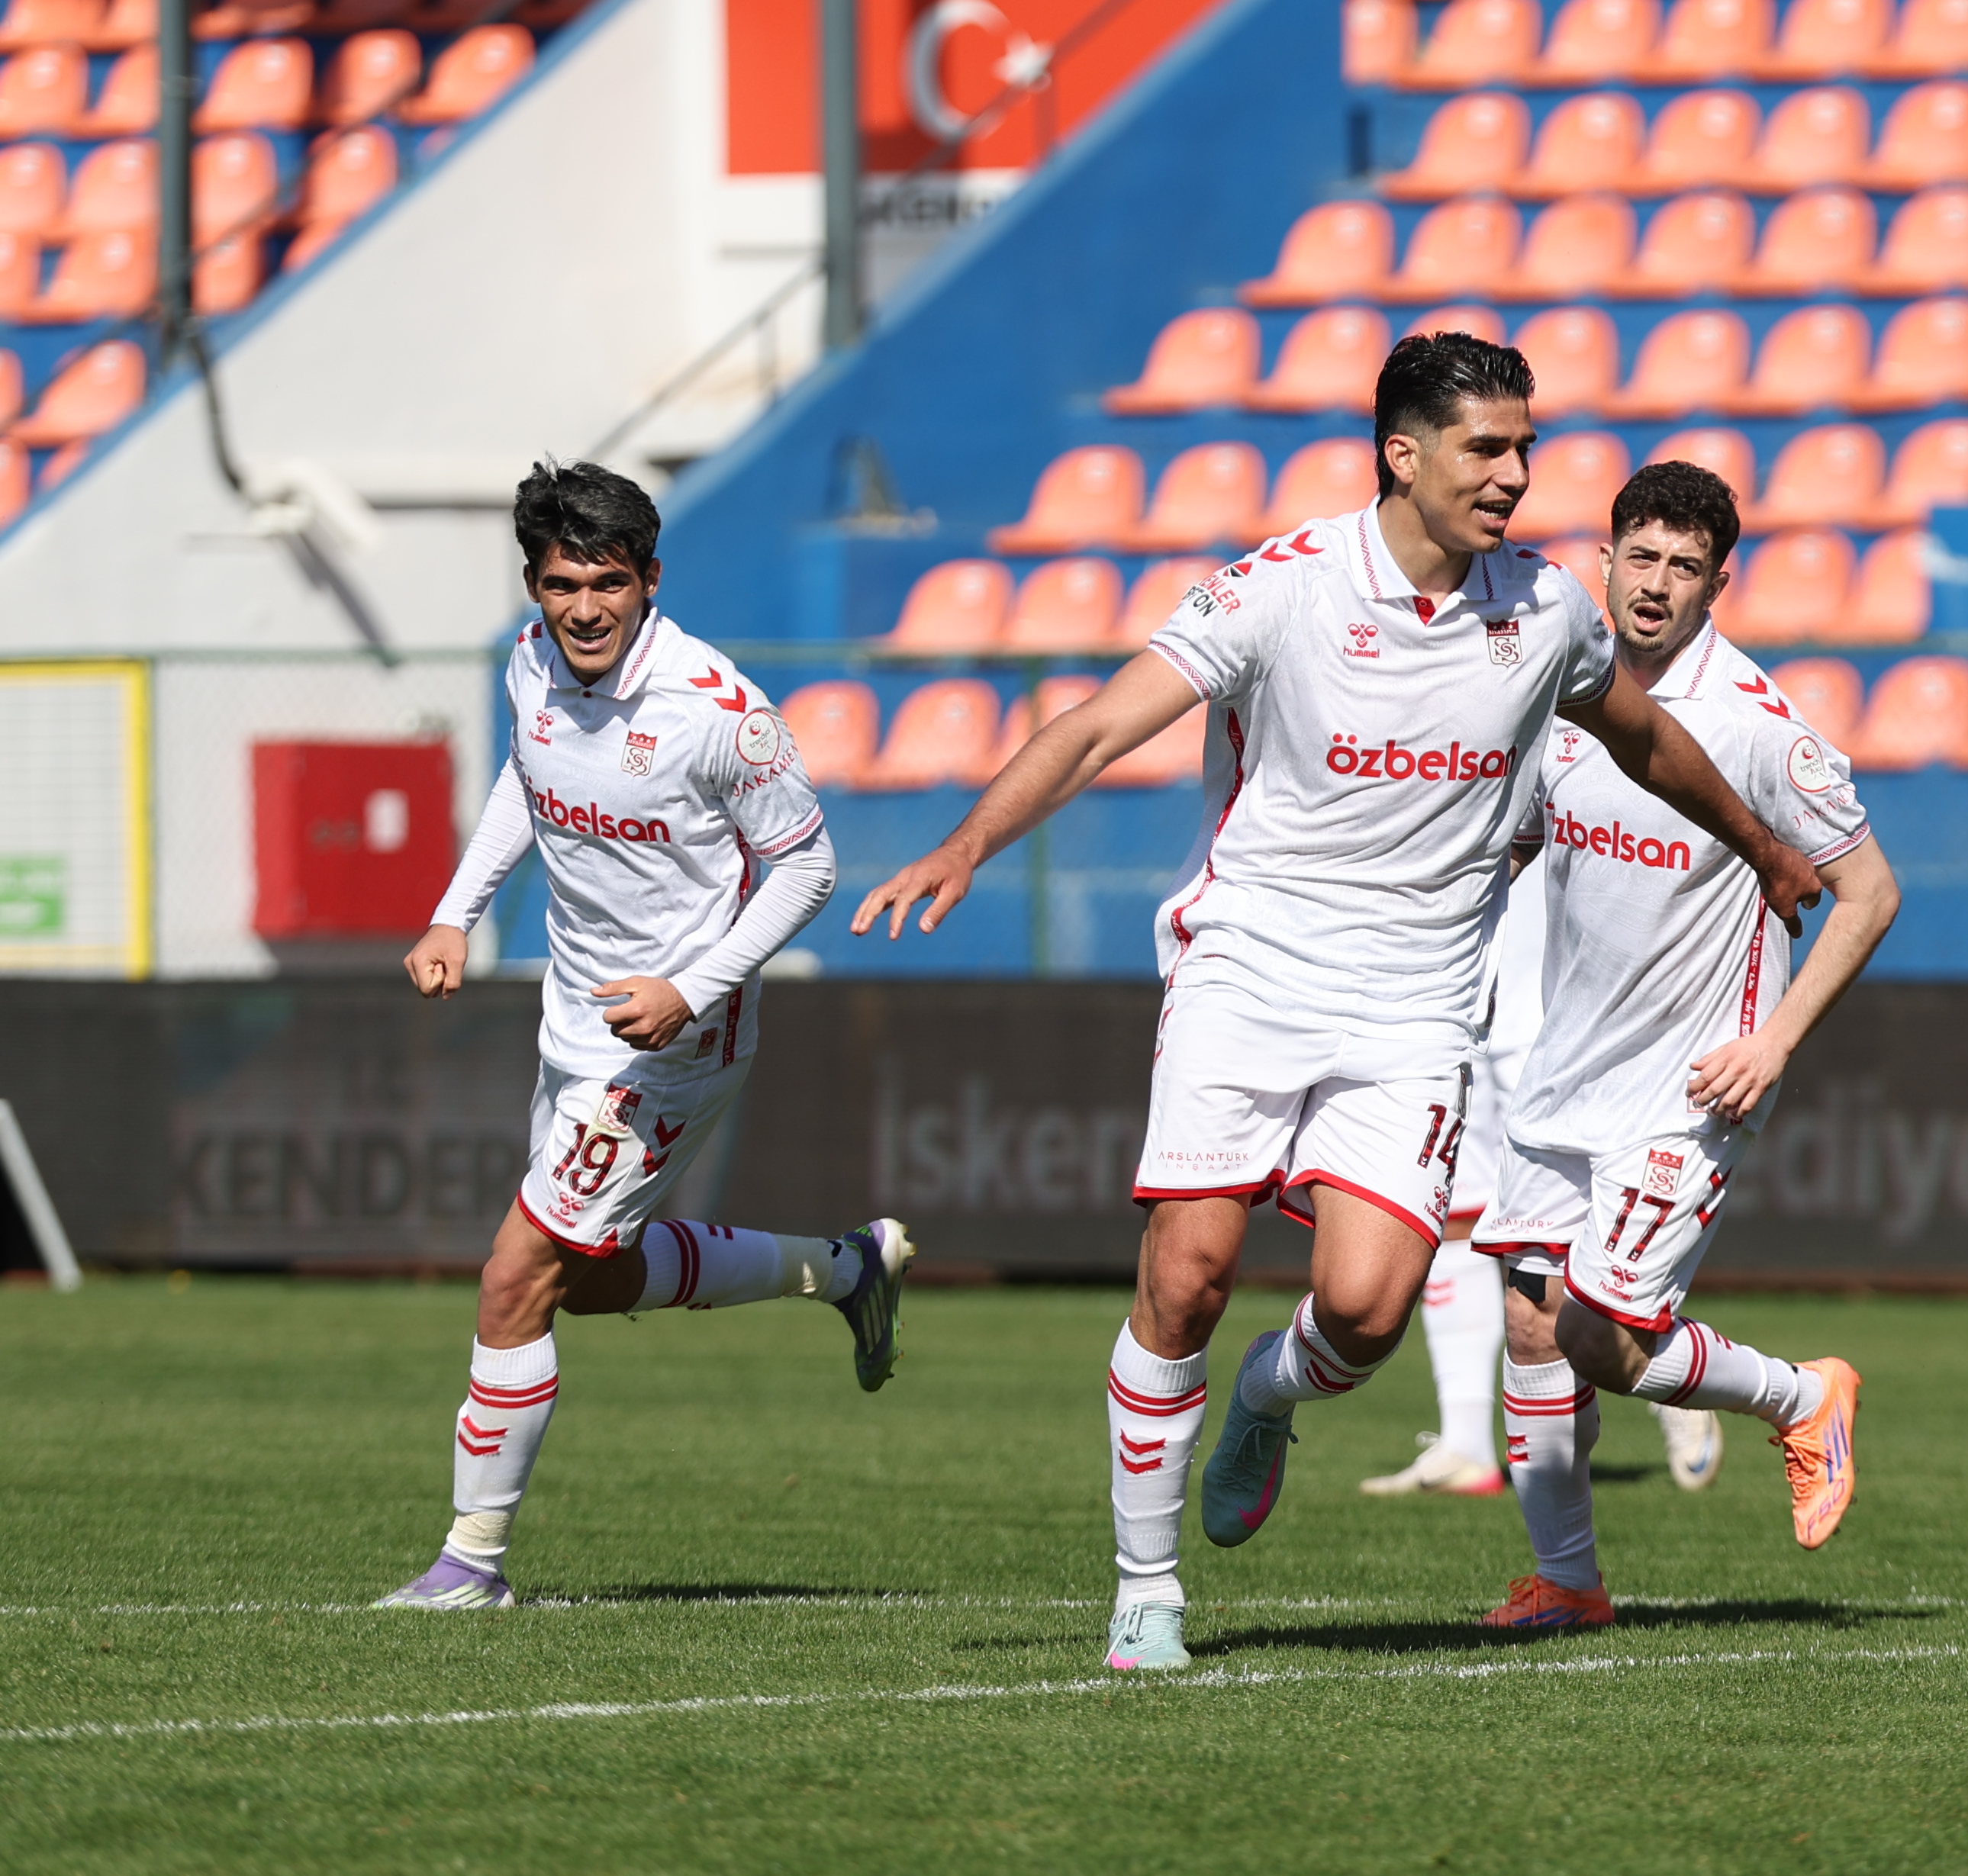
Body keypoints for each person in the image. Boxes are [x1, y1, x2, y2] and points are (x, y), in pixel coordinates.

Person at [852, 334, 1824, 1672]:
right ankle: (1147, 1591)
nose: (1514, 475)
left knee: (1366, 1312)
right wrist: (967, 842)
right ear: (1402, 453)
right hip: (1247, 970)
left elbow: (1645, 739)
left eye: (1524, 448)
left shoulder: (1541, 609)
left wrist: (1764, 844)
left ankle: (1265, 1395)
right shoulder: (1285, 589)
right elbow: (1093, 725)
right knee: (1185, 1281)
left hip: (1418, 1007)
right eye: (1487, 448)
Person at [376, 460, 914, 1612]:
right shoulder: (531, 665)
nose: (582, 609)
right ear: (535, 583)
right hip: (572, 1017)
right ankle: (844, 1268)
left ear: (650, 581)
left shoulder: (718, 713)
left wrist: (691, 986)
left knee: (514, 1276)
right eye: (561, 583)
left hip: (673, 1043)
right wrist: (451, 914)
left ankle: (470, 1565)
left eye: (606, 584)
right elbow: (527, 781)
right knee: (586, 1276)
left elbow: (807, 866)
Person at [1470, 461, 1901, 1631]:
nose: (1656, 587)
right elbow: (1512, 849)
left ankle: (1802, 1395)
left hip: (1690, 1081)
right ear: (1603, 562)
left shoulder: (1757, 728)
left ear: (1720, 585)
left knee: (1601, 1339)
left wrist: (1774, 1044)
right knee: (1523, 1321)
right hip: (1565, 1071)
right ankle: (1568, 1583)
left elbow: (1868, 893)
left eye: (1684, 569)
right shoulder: (1560, 696)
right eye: (1640, 559)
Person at [1360, 870, 1728, 1498]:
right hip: (1440, 1002)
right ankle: (1466, 1442)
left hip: (1537, 1010)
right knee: (1453, 1213)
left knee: (1565, 1225)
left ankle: (1662, 1370)